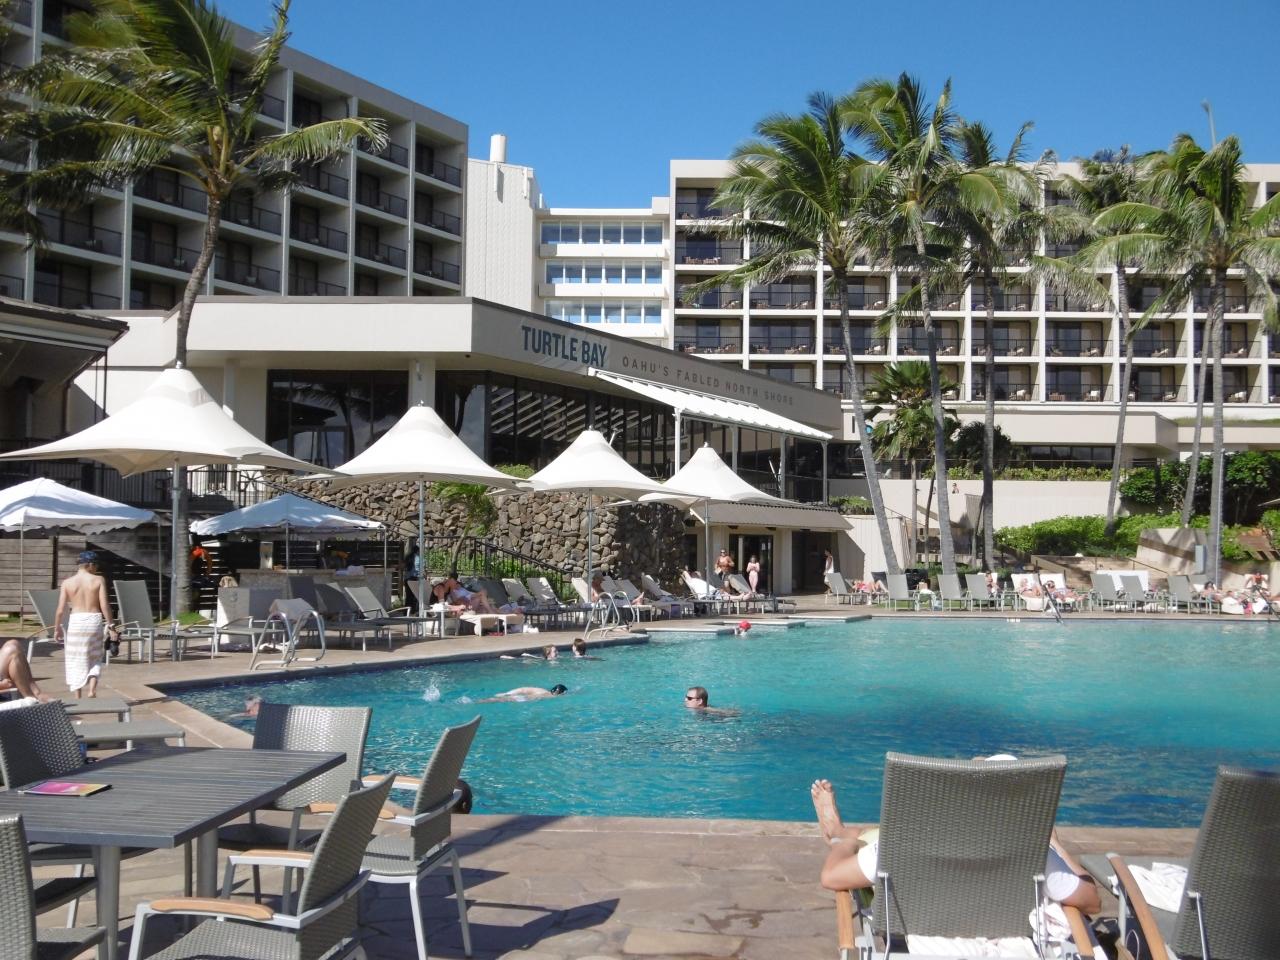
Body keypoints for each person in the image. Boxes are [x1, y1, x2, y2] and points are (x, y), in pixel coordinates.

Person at [809, 767, 1101, 916]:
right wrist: (1054, 845)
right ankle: (844, 832)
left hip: (922, 936)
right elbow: (1092, 901)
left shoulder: (909, 841)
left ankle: (839, 833)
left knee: (868, 839)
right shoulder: (1033, 852)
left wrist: (840, 843)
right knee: (875, 835)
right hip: (1010, 936)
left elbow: (831, 876)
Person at [53, 550, 115, 698]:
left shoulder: (67, 583)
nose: (97, 568)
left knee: (75, 658)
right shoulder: (98, 580)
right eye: (96, 565)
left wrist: (57, 629)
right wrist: (111, 625)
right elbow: (104, 605)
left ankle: (77, 695)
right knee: (95, 656)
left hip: (76, 621)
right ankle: (92, 690)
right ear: (90, 565)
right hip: (93, 620)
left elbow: (60, 610)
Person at [477, 684, 568, 703]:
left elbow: (523, 690)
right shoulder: (543, 692)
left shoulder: (544, 692)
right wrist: (507, 693)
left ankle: (478, 701)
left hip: (523, 699)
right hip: (522, 698)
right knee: (498, 700)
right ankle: (476, 701)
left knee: (497, 700)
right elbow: (523, 689)